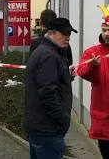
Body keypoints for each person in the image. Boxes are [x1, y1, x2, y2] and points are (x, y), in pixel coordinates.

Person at [24, 18, 78, 159]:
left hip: (40, 127)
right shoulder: (49, 55)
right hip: (48, 129)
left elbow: (46, 82)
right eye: (64, 34)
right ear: (51, 33)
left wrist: (67, 76)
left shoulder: (44, 51)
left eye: (69, 34)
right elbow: (47, 92)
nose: (68, 38)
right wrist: (62, 118)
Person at [76, 5, 109, 158]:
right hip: (104, 117)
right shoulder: (92, 52)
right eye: (104, 30)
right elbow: (82, 71)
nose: (107, 34)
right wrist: (93, 66)